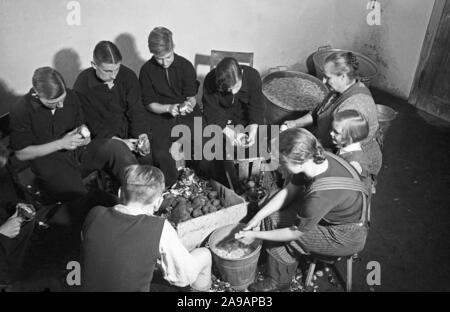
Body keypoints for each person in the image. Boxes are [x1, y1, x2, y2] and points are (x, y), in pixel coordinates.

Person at [235, 128, 368, 292]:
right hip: (336, 214)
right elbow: (290, 190)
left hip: (345, 236)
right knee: (268, 214)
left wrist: (254, 235)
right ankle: (281, 264)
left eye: (282, 163)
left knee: (274, 224)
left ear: (298, 162)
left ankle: (279, 282)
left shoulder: (319, 198)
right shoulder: (316, 159)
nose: (280, 167)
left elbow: (294, 232)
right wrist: (257, 217)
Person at [9, 67, 136, 204]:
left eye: (62, 99)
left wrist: (84, 135)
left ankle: (139, 193)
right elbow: (21, 154)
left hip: (78, 151)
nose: (61, 105)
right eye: (53, 103)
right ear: (36, 94)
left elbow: (81, 124)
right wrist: (60, 143)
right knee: (79, 199)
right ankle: (99, 213)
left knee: (115, 148)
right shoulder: (21, 110)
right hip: (49, 161)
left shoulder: (71, 96)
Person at [81, 164, 212, 292]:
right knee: (204, 254)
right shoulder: (159, 228)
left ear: (120, 192)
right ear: (158, 202)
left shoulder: (95, 214)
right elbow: (182, 277)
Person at [283, 51, 382, 179]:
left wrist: (300, 148)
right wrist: (295, 123)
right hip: (332, 145)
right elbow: (318, 112)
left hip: (347, 158)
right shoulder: (341, 90)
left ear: (343, 77)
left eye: (328, 77)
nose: (323, 81)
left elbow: (335, 143)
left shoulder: (351, 109)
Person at [139, 27, 199, 188]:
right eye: (159, 59)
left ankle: (198, 181)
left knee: (202, 137)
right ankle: (171, 186)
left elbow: (192, 98)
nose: (165, 63)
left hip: (185, 115)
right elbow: (149, 103)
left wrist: (187, 105)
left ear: (173, 47)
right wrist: (167, 108)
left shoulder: (185, 66)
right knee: (160, 153)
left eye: (168, 57)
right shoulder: (146, 70)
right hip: (160, 116)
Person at [73, 41, 151, 163]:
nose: (114, 76)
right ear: (94, 65)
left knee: (149, 157)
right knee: (124, 158)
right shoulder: (83, 83)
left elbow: (136, 110)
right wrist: (120, 142)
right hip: (101, 139)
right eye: (108, 71)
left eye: (117, 69)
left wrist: (141, 136)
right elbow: (91, 123)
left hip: (127, 133)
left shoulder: (128, 76)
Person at [201, 57, 265, 187]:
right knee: (211, 153)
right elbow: (212, 114)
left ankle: (249, 179)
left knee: (257, 144)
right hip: (221, 119)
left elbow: (256, 108)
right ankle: (226, 181)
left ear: (241, 73)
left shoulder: (253, 76)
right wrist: (230, 133)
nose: (233, 92)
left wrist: (252, 131)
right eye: (228, 90)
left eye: (236, 86)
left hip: (244, 118)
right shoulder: (210, 80)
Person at [0, 141, 36, 289]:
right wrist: (2, 234)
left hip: (18, 258)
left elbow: (13, 190)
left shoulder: (3, 162)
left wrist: (23, 204)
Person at [331, 109, 371, 190]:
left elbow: (349, 187)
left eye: (336, 132)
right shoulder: (347, 146)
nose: (331, 133)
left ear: (350, 137)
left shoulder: (354, 163)